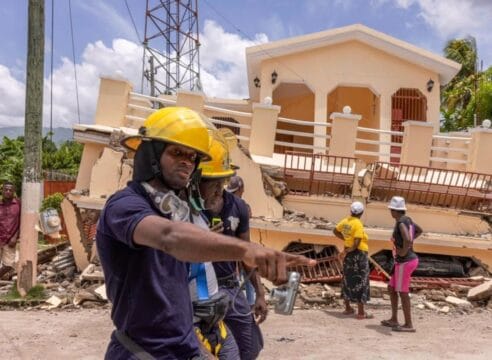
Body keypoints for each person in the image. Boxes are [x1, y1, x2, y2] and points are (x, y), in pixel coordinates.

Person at [96, 107, 315, 359]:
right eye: (177, 152)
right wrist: (246, 249)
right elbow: (169, 237)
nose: (186, 163)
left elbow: (176, 305)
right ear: (150, 154)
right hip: (144, 352)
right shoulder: (124, 206)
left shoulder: (175, 213)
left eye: (192, 157)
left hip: (184, 348)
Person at [199, 154, 266, 360]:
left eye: (223, 181)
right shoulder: (188, 209)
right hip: (199, 291)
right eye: (212, 183)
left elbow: (246, 252)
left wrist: (260, 293)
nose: (218, 189)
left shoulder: (238, 207)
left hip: (231, 288)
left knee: (251, 346)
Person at [381, 196, 422, 333]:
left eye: (391, 210)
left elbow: (407, 238)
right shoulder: (407, 219)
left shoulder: (401, 223)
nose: (390, 212)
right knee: (392, 288)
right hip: (404, 261)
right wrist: (406, 246)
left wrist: (404, 251)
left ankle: (408, 324)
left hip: (406, 261)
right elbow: (419, 230)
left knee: (403, 293)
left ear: (395, 210)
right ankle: (394, 318)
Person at [333, 201, 371, 319]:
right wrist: (345, 251)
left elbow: (335, 231)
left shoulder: (345, 221)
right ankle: (361, 313)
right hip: (358, 255)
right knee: (361, 281)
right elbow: (356, 243)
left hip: (349, 255)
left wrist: (345, 240)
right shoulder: (358, 224)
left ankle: (348, 308)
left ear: (351, 211)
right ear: (361, 213)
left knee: (347, 279)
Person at [226, 176, 255, 306]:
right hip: (235, 251)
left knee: (246, 278)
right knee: (239, 278)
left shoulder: (240, 206)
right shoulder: (234, 205)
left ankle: (248, 304)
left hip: (240, 248)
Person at [0, 182, 20, 280]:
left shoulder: (19, 204)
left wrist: (15, 237)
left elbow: (23, 222)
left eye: (10, 190)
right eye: (6, 189)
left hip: (10, 241)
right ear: (2, 191)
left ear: (13, 192)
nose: (8, 191)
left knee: (9, 265)